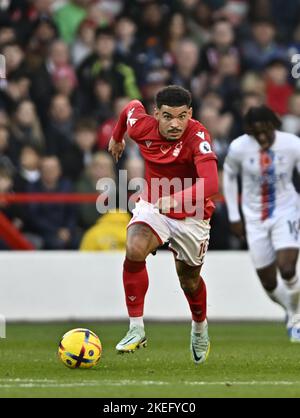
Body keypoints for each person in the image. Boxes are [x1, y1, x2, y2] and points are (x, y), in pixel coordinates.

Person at [108, 85, 218, 364]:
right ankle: (136, 328)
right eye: (168, 116)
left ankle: (199, 328)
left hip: (193, 215)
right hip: (155, 206)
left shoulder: (198, 136)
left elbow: (212, 184)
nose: (175, 124)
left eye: (182, 116)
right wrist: (117, 138)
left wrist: (178, 199)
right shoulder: (141, 127)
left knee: (189, 281)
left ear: (190, 113)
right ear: (156, 114)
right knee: (134, 248)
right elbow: (129, 107)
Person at [223, 105, 300, 342]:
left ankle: (296, 317)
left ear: (273, 125)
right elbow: (228, 177)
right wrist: (235, 216)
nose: (262, 137)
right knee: (268, 282)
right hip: (254, 218)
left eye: (265, 131)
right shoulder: (239, 147)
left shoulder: (292, 144)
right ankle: (291, 309)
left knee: (287, 270)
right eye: (256, 133)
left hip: (286, 211)